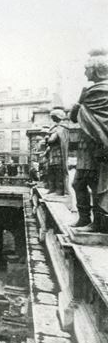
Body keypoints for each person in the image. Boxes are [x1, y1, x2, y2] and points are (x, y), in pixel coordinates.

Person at [69, 49, 108, 231]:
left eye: (87, 68)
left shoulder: (97, 92)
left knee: (88, 183)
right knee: (90, 183)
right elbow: (77, 117)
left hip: (95, 147)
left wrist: (80, 100)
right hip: (90, 145)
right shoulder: (93, 91)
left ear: (96, 69)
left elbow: (75, 117)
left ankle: (94, 223)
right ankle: (90, 220)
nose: (85, 72)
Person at [45, 108, 71, 196]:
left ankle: (59, 191)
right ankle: (52, 189)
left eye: (54, 118)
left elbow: (51, 140)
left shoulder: (62, 128)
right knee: (52, 173)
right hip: (53, 155)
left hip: (58, 155)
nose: (53, 119)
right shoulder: (56, 128)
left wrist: (48, 137)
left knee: (58, 174)